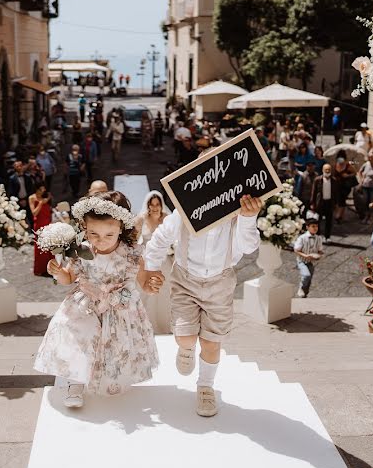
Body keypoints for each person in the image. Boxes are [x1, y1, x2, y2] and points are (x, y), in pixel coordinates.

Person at [144, 179, 262, 418]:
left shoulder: (236, 211)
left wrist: (249, 217)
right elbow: (160, 238)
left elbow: (249, 247)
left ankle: (205, 387)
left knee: (211, 342)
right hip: (186, 278)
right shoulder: (183, 209)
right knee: (186, 337)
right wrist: (153, 268)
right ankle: (185, 349)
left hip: (220, 282)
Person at [35, 191, 161, 408]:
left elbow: (142, 283)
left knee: (112, 349)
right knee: (78, 341)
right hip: (85, 305)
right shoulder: (80, 252)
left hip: (119, 309)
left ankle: (109, 382)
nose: (100, 241)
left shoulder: (131, 254)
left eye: (108, 235)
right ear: (84, 227)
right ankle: (75, 384)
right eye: (94, 234)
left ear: (120, 228)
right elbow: (69, 277)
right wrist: (58, 273)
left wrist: (151, 285)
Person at [293, 213, 324, 298]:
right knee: (306, 275)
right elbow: (296, 250)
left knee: (309, 278)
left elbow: (320, 250)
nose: (315, 228)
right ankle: (301, 288)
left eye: (316, 226)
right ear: (307, 227)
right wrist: (305, 256)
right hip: (302, 261)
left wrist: (319, 255)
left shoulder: (319, 238)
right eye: (313, 226)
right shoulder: (302, 238)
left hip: (310, 261)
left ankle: (305, 292)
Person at [310, 163, 340, 242]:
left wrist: (336, 204)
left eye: (329, 170)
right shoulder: (317, 180)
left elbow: (336, 193)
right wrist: (312, 203)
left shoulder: (334, 180)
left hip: (329, 203)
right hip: (320, 202)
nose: (327, 171)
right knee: (317, 220)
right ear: (322, 170)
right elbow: (314, 192)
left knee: (329, 221)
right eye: (326, 170)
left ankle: (327, 236)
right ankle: (318, 235)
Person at [30, 185, 54, 276]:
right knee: (40, 246)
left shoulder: (47, 196)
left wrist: (48, 199)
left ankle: (51, 268)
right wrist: (41, 203)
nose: (42, 191)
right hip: (39, 225)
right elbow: (34, 213)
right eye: (41, 189)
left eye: (44, 189)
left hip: (48, 223)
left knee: (50, 246)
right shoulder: (32, 198)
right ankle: (40, 269)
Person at [358, 152, 373, 223]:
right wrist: (361, 180)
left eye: (372, 157)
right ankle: (366, 216)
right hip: (365, 186)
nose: (370, 158)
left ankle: (371, 217)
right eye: (369, 157)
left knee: (372, 202)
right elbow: (360, 171)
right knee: (365, 202)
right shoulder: (366, 164)